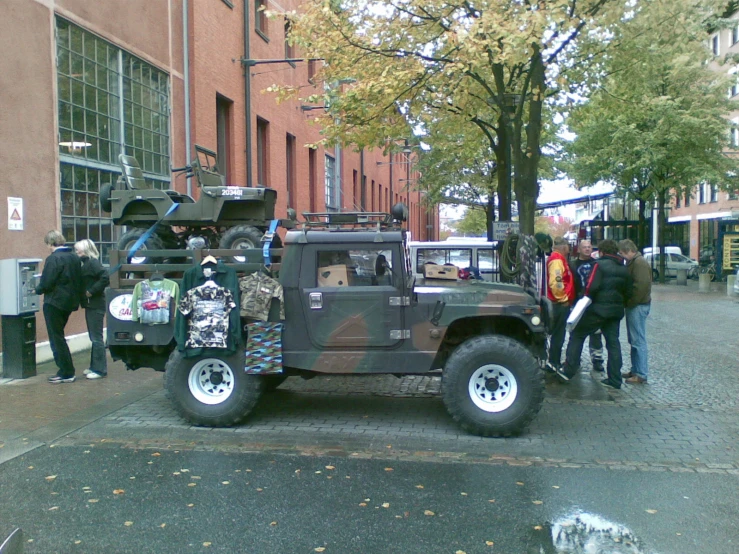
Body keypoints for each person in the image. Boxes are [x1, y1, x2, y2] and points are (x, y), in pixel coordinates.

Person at [560, 240, 631, 389]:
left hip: (598, 310)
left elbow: (591, 286)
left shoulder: (598, 265)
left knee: (578, 334)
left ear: (602, 252)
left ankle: (568, 370)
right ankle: (615, 379)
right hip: (615, 311)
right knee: (613, 343)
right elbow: (628, 291)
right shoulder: (623, 268)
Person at [35, 230, 82, 384]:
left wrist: (37, 290)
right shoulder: (74, 257)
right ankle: (67, 370)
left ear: (50, 243)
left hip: (54, 302)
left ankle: (66, 372)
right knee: (59, 336)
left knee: (56, 338)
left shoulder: (53, 258)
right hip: (69, 302)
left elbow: (47, 282)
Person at [75, 239, 110, 379]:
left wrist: (91, 291)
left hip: (95, 303)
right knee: (94, 336)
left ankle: (100, 369)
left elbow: (105, 277)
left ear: (85, 250)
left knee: (96, 337)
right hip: (91, 304)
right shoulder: (88, 263)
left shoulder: (93, 263)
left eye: (78, 250)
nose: (77, 253)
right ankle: (94, 366)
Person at [618, 239, 651, 384]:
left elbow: (641, 286)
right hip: (636, 305)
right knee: (634, 339)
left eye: (622, 253)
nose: (622, 256)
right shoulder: (635, 262)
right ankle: (636, 369)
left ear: (628, 251)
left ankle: (641, 373)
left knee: (638, 340)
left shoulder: (639, 263)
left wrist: (631, 302)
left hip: (638, 305)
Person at [569, 239, 604, 373]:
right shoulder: (573, 265)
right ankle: (574, 359)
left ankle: (597, 359)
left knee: (596, 333)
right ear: (579, 249)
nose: (588, 249)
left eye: (589, 247)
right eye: (585, 247)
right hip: (578, 302)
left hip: (594, 303)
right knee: (576, 331)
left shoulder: (597, 264)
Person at [546, 237, 575, 373]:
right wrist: (563, 298)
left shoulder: (557, 259)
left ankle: (554, 361)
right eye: (568, 246)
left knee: (558, 335)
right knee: (558, 335)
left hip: (559, 302)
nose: (569, 249)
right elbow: (556, 283)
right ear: (564, 247)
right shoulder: (557, 260)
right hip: (559, 303)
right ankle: (554, 362)